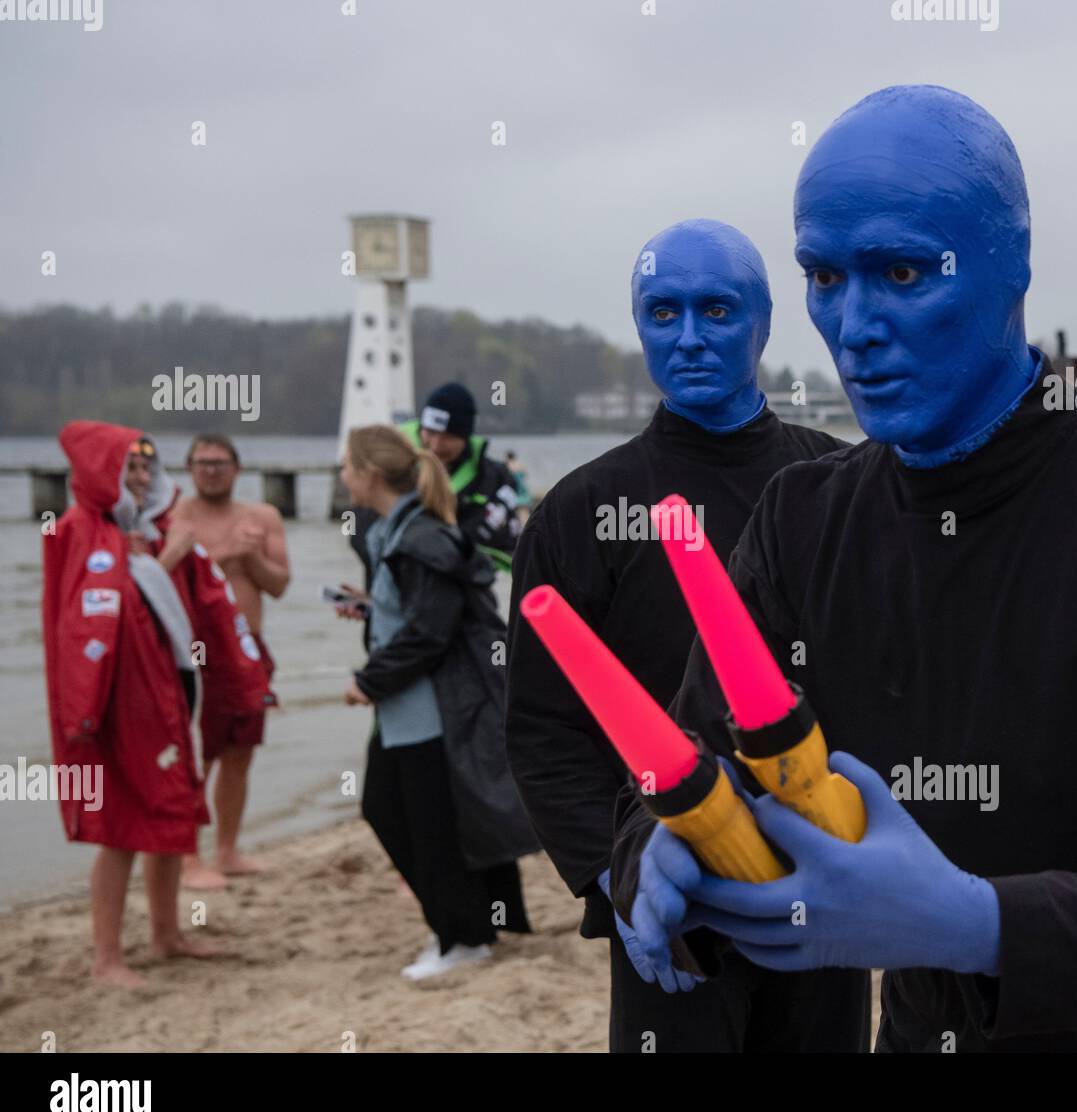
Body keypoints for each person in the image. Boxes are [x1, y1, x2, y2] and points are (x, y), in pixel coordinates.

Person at [616, 86, 1077, 1052]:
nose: (852, 326)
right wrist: (659, 856)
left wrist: (982, 926)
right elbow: (693, 764)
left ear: (1013, 263)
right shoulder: (802, 520)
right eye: (822, 277)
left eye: (900, 272)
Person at [506, 219, 859, 1052]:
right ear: (639, 327)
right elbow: (542, 728)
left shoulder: (841, 487)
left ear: (764, 323)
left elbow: (901, 679)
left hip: (826, 869)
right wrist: (617, 881)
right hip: (669, 888)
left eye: (717, 309)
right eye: (664, 314)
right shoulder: (579, 512)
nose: (691, 337)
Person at [338, 425, 538, 983]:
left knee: (420, 819)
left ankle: (463, 937)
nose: (342, 477)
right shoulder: (403, 531)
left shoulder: (417, 535)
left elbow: (431, 632)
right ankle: (474, 925)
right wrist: (370, 607)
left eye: (347, 467)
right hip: (416, 704)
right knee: (415, 811)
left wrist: (368, 681)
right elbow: (421, 610)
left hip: (431, 705)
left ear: (371, 474)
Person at [42, 422, 217, 987]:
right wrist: (159, 563)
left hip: (160, 697)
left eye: (147, 468)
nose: (141, 480)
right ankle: (107, 958)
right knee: (120, 828)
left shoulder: (132, 533)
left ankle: (167, 935)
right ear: (102, 473)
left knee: (168, 813)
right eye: (129, 469)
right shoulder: (78, 531)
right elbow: (84, 628)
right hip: (116, 710)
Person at [172, 433, 289, 885]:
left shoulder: (261, 517)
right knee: (194, 755)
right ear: (189, 468)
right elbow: (171, 578)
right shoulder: (177, 518)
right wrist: (227, 555)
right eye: (202, 463)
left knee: (239, 753)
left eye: (220, 463)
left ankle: (227, 850)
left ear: (237, 468)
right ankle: (185, 857)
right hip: (194, 649)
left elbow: (279, 585)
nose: (211, 471)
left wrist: (252, 557)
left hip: (248, 646)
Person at [417, 382, 522, 573]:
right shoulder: (393, 460)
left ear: (465, 438)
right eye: (430, 433)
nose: (435, 445)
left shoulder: (495, 479)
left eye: (447, 437)